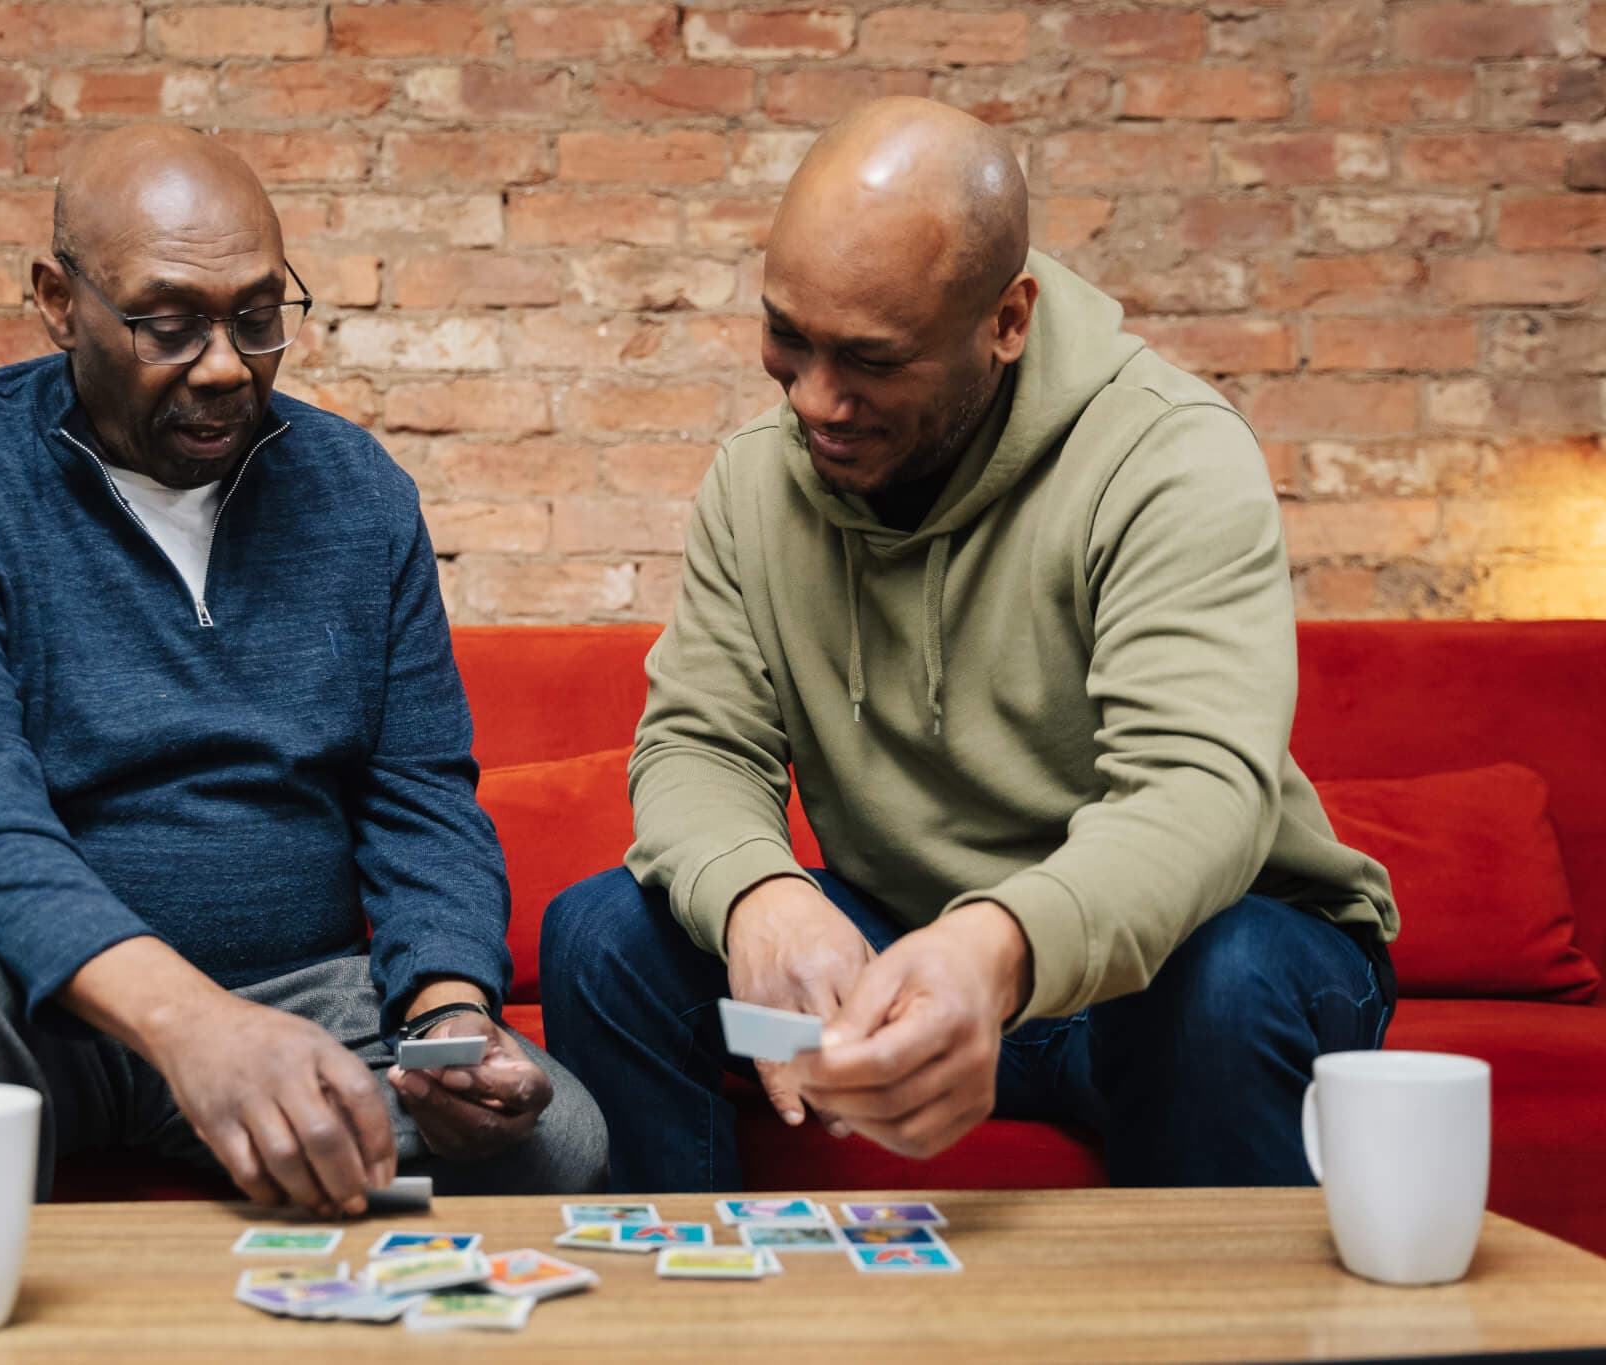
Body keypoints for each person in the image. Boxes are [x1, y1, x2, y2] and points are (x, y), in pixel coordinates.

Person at [0, 124, 606, 1308]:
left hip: (294, 994)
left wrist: (449, 1016)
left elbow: (421, 798)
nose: (225, 366)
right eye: (168, 325)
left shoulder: (358, 493)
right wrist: (193, 1028)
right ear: (58, 302)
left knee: (555, 1135)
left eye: (257, 317)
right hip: (19, 1008)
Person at [539, 98, 1398, 1193]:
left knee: (1225, 981)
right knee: (602, 936)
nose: (815, 401)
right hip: (913, 949)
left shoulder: (1168, 458)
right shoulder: (757, 480)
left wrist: (991, 952)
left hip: (1196, 953)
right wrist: (760, 897)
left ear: (1007, 321)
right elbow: (698, 746)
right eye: (787, 337)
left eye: (871, 358)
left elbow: (1193, 792)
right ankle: (689, 1298)